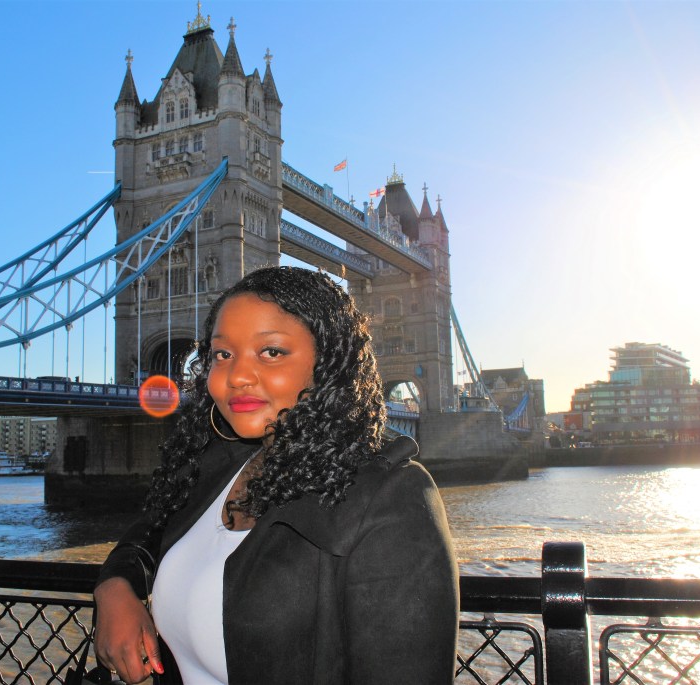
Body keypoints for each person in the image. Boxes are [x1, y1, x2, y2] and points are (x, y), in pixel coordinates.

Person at [93, 266, 459, 685]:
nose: (236, 376)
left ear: (328, 364)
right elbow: (150, 532)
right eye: (222, 354)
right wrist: (115, 585)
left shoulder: (391, 497)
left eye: (271, 352)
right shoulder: (218, 463)